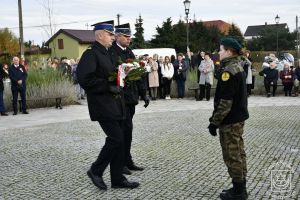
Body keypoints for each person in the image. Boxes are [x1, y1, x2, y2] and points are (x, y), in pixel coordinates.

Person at [76, 20, 139, 190]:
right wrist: (107, 85)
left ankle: (117, 179)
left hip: (116, 103)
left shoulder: (107, 53)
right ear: (100, 35)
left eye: (113, 35)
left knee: (120, 139)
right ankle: (96, 170)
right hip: (102, 104)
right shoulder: (91, 54)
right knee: (116, 139)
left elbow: (112, 75)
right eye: (110, 34)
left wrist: (123, 73)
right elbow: (85, 79)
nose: (113, 37)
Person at [208, 38, 249, 200]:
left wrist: (214, 122)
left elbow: (225, 102)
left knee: (232, 155)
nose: (218, 52)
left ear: (229, 51)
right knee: (239, 152)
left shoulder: (229, 71)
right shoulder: (236, 66)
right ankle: (240, 186)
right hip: (237, 118)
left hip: (230, 120)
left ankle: (239, 192)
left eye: (220, 49)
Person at [110, 23, 148, 175]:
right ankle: (120, 163)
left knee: (128, 130)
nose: (129, 39)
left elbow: (138, 74)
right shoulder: (112, 52)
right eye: (126, 36)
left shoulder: (129, 51)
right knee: (122, 131)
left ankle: (127, 159)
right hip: (119, 97)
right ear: (117, 36)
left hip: (130, 98)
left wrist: (144, 93)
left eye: (130, 37)